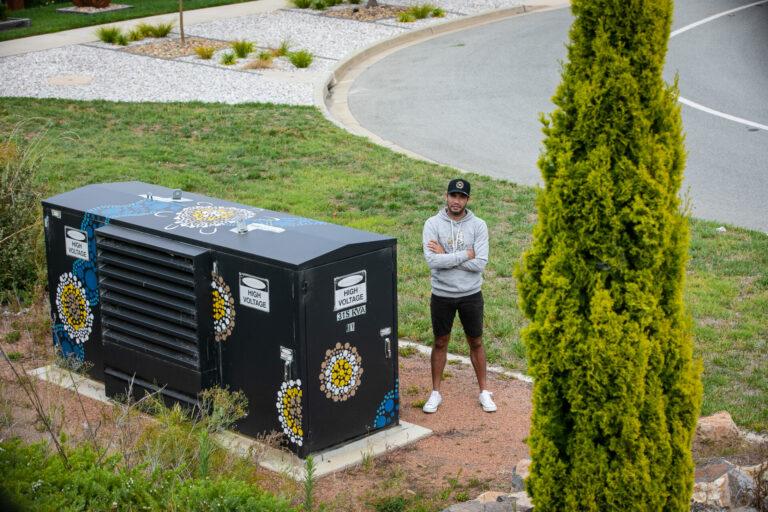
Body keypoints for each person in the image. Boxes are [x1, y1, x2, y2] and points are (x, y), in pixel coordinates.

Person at [421, 178, 496, 414]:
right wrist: (466, 254)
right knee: (440, 341)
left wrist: (448, 255)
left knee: (476, 342)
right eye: (453, 195)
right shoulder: (432, 224)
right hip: (442, 294)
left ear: (468, 200)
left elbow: (481, 263)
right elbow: (432, 261)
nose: (457, 200)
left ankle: (484, 392)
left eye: (462, 197)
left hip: (471, 294)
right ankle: (435, 392)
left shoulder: (479, 225)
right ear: (446, 196)